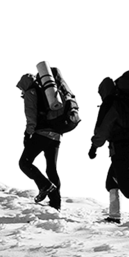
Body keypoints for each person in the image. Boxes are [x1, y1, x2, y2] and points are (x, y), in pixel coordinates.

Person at [87, 68, 129, 223]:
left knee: (126, 177)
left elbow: (103, 127)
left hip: (121, 143)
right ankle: (114, 215)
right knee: (113, 178)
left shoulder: (112, 102)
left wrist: (94, 146)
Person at [15, 65, 80, 211]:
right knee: (51, 167)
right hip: (57, 135)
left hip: (41, 134)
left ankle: (45, 186)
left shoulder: (31, 92)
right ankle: (55, 203)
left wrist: (27, 136)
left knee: (24, 162)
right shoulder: (50, 92)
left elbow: (31, 118)